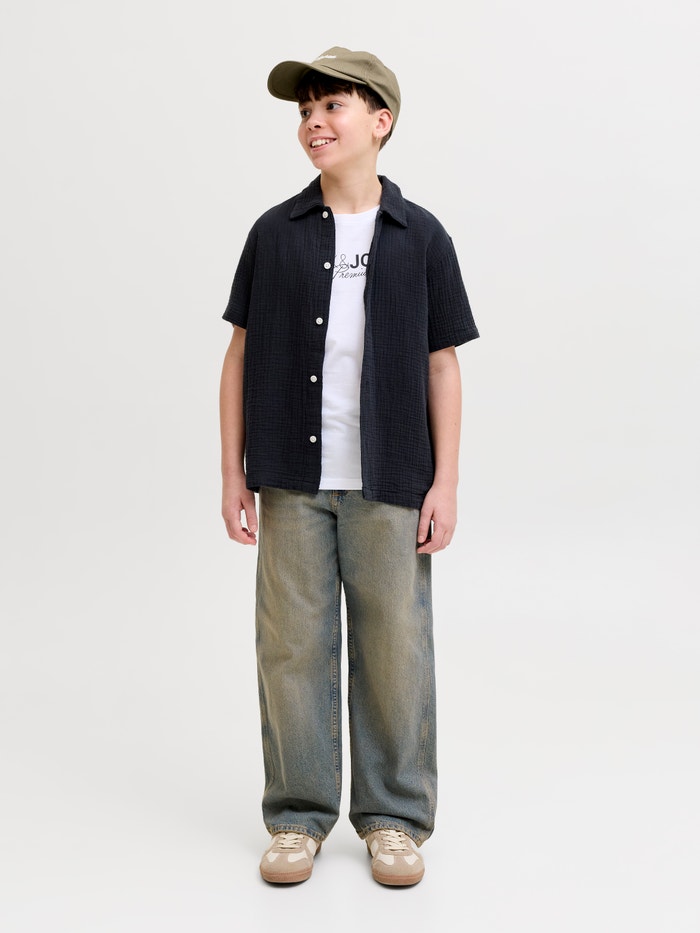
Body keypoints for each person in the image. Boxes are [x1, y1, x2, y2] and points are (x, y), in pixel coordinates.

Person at [219, 46, 479, 886]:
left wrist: (445, 482)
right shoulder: (275, 233)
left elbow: (442, 363)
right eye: (306, 111)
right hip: (291, 479)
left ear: (381, 120)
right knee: (291, 648)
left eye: (332, 106)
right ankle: (297, 816)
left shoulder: (421, 236)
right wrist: (232, 473)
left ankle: (394, 817)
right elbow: (239, 355)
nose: (313, 123)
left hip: (392, 479)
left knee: (395, 649)